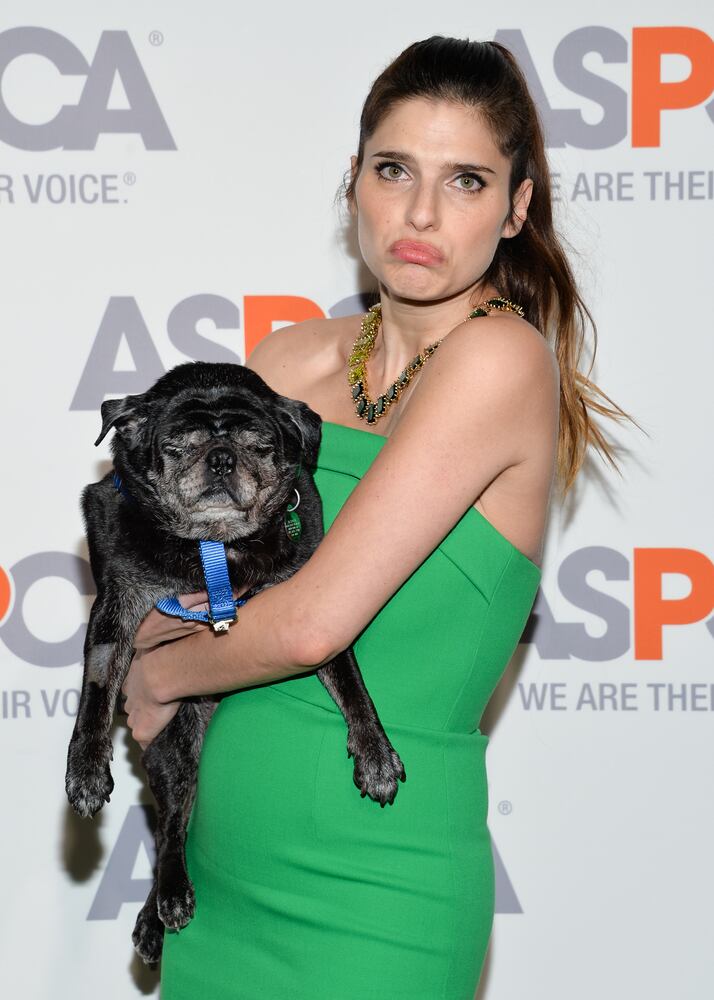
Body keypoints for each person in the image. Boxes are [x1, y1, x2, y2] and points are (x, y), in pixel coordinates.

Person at [121, 36, 636, 999]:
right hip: (217, 888)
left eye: (467, 181)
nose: (421, 213)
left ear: (517, 207)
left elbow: (312, 623)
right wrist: (159, 618)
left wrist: (156, 673)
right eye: (395, 170)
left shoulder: (500, 361)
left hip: (376, 894)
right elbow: (189, 572)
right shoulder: (286, 364)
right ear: (353, 180)